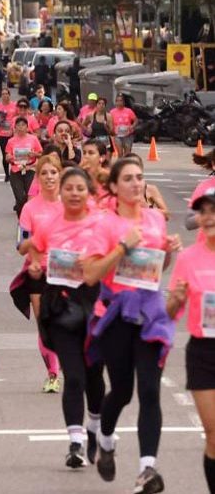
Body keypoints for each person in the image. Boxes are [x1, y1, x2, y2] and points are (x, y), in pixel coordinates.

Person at [83, 157, 182, 493]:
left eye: (140, 177)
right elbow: (91, 273)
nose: (137, 184)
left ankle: (147, 470)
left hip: (151, 313)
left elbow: (155, 269)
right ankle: (106, 440)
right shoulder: (105, 224)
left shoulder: (155, 218)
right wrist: (124, 246)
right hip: (116, 314)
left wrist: (168, 252)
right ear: (113, 187)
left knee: (150, 391)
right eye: (128, 179)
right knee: (122, 391)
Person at [27, 167, 106, 468]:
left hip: (95, 306)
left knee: (94, 376)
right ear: (60, 192)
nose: (74, 193)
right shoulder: (50, 224)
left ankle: (95, 428)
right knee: (73, 377)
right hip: (60, 306)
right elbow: (33, 251)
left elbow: (117, 259)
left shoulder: (102, 223)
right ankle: (75, 443)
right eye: (68, 187)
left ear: (89, 193)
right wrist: (36, 266)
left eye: (79, 188)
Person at [167, 190, 215, 493]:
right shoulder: (188, 258)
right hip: (203, 353)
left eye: (214, 210)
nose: (208, 216)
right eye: (203, 211)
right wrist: (175, 299)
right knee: (213, 435)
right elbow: (171, 312)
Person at [15, 155, 65, 393]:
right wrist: (35, 245)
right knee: (45, 324)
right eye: (44, 173)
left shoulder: (71, 203)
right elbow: (20, 245)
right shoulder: (30, 207)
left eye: (53, 172)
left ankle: (69, 359)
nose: (49, 177)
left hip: (67, 270)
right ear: (38, 177)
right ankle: (53, 373)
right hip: (38, 271)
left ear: (60, 174)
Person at [5, 116, 43, 216]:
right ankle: (21, 216)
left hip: (30, 169)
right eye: (18, 125)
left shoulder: (33, 139)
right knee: (20, 197)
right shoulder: (11, 141)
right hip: (16, 170)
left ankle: (30, 216)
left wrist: (34, 154)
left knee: (30, 196)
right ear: (15, 128)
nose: (21, 127)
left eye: (23, 125)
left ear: (27, 127)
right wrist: (9, 157)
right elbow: (7, 156)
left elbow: (41, 153)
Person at [0, 88, 17, 181]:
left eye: (6, 94)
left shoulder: (15, 106)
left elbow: (19, 116)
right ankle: (7, 174)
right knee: (5, 154)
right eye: (3, 94)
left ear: (9, 95)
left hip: (13, 134)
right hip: (2, 134)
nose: (5, 96)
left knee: (14, 154)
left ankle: (15, 172)